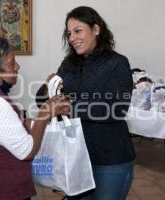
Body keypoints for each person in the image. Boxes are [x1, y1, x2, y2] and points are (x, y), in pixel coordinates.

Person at [37, 6, 135, 200]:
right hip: (75, 158)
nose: (72, 37)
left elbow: (117, 109)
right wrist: (49, 85)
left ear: (96, 29)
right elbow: (43, 100)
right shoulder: (69, 64)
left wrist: (70, 105)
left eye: (78, 30)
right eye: (69, 33)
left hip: (110, 158)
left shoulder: (117, 63)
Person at [0, 36, 70, 200]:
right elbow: (27, 151)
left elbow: (11, 125)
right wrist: (44, 113)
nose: (17, 66)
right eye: (12, 62)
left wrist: (35, 121)